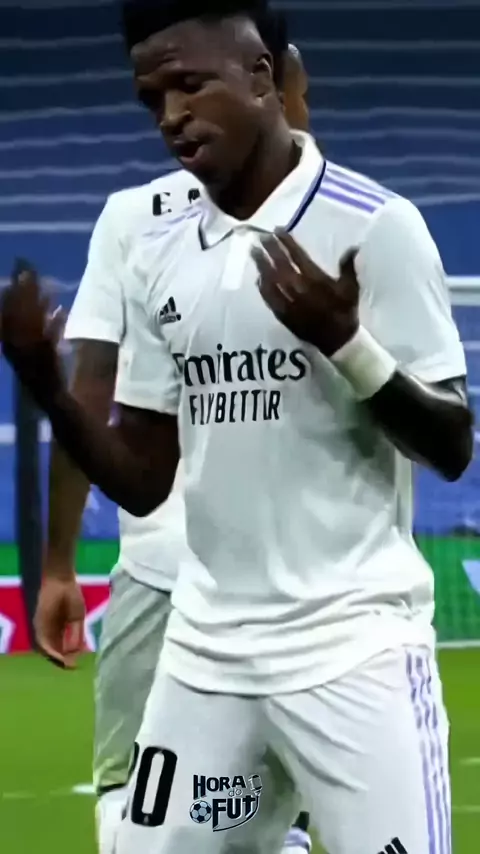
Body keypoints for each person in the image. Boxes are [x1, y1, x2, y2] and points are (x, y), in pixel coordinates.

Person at [1, 0, 473, 851]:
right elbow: (145, 479)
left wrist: (347, 344)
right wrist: (50, 390)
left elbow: (451, 445)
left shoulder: (374, 225)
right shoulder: (161, 249)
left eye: (190, 85)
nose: (171, 115)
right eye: (153, 98)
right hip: (208, 648)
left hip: (351, 646)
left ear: (261, 78)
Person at [33, 4, 310, 853]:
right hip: (278, 582)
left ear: (262, 76)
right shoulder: (343, 218)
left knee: (134, 811)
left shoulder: (134, 218)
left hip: (186, 576)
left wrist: (58, 565)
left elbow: (89, 392)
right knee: (275, 825)